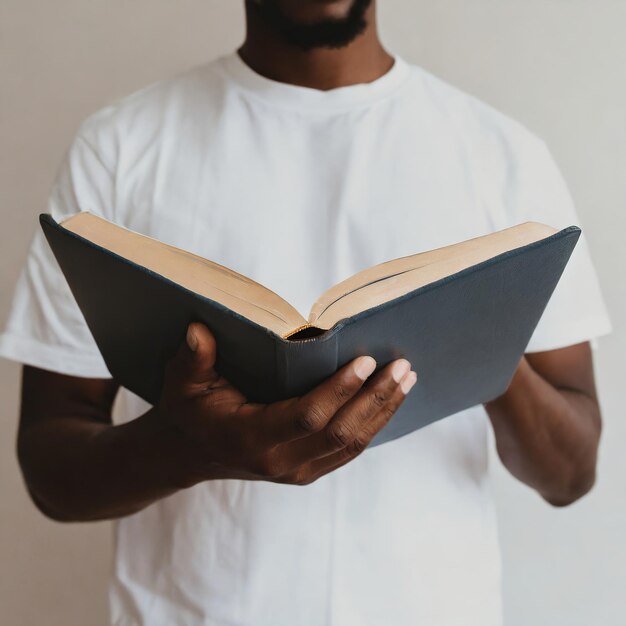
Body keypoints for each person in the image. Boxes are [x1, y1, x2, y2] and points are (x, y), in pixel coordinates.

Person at [0, 1, 612, 625]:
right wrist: (188, 449)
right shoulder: (118, 147)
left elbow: (570, 473)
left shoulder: (501, 156)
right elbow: (50, 468)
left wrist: (478, 340)